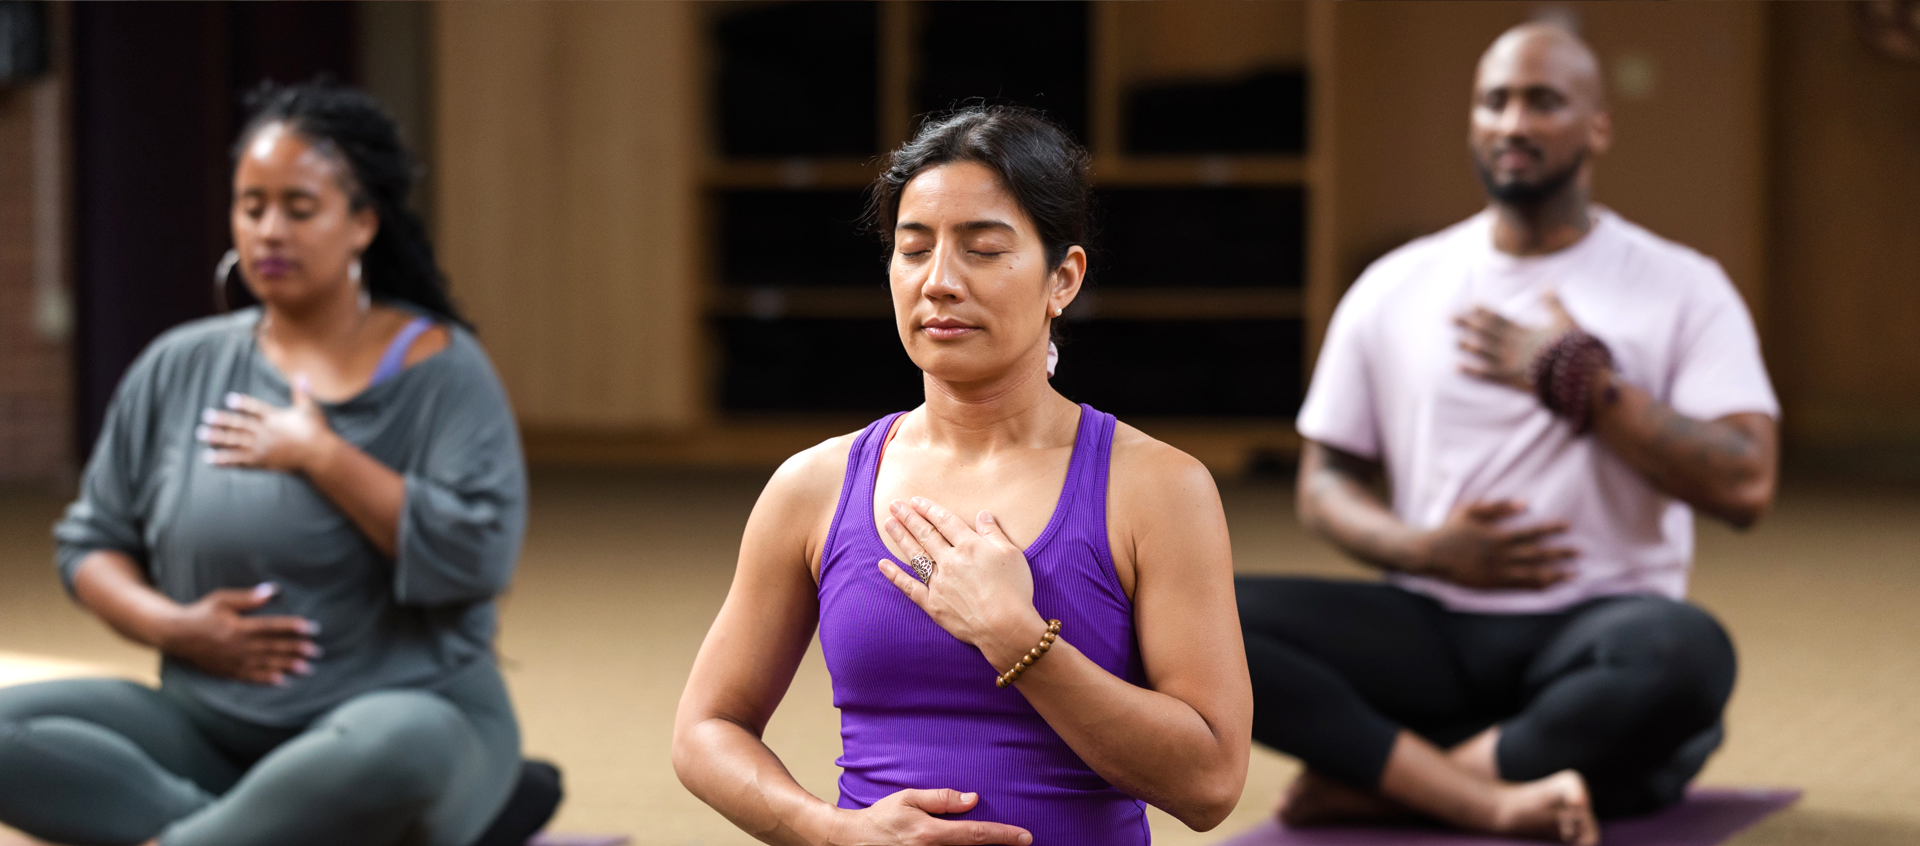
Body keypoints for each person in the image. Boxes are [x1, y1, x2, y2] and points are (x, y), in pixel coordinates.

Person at [1236, 23, 1778, 845]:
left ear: (1597, 125)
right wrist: (1424, 551)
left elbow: (1746, 484)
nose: (1514, 123)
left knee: (1688, 659)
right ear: (1473, 121)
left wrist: (1584, 384)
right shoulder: (1396, 285)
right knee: (1200, 617)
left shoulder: (1682, 286)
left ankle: (1396, 782)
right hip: (1432, 623)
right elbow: (1324, 480)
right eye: (1496, 101)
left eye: (1544, 101)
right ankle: (1492, 789)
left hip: (1597, 628)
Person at [673, 106, 1253, 846]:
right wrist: (829, 831)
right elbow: (705, 728)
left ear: (1063, 279)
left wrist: (1019, 641)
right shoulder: (812, 486)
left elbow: (1210, 784)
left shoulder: (1157, 489)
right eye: (913, 251)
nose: (939, 282)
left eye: (982, 250)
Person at [0, 83, 533, 846]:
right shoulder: (179, 364)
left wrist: (323, 455)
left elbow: (477, 558)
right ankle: (265, 831)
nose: (270, 231)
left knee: (400, 747)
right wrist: (175, 626)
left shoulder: (445, 371)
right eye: (252, 207)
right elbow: (91, 545)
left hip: (403, 717)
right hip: (210, 728)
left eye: (299, 207)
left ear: (362, 224)